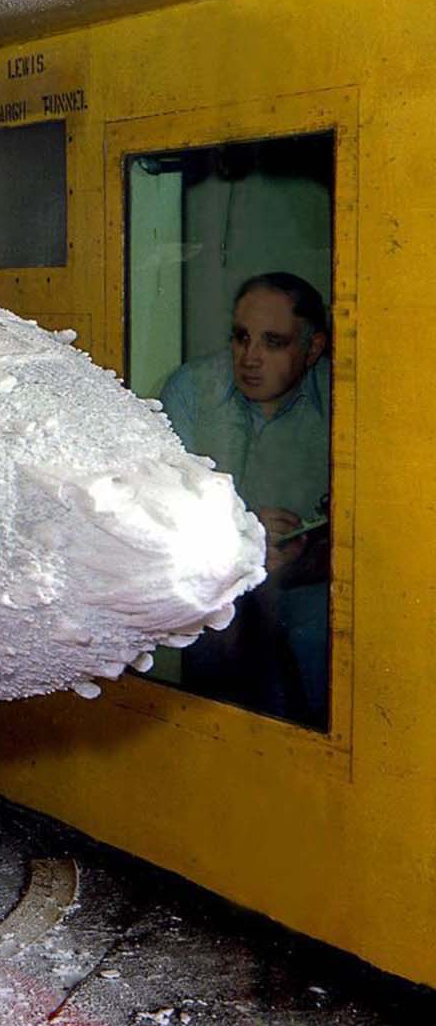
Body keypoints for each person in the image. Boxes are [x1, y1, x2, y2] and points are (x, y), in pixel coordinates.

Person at [159, 271, 331, 726]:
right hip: (216, 593)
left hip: (314, 594)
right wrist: (240, 539)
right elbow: (157, 513)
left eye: (273, 342)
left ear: (313, 349)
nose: (250, 358)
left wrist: (308, 557)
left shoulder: (346, 400)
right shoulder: (192, 391)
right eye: (241, 338)